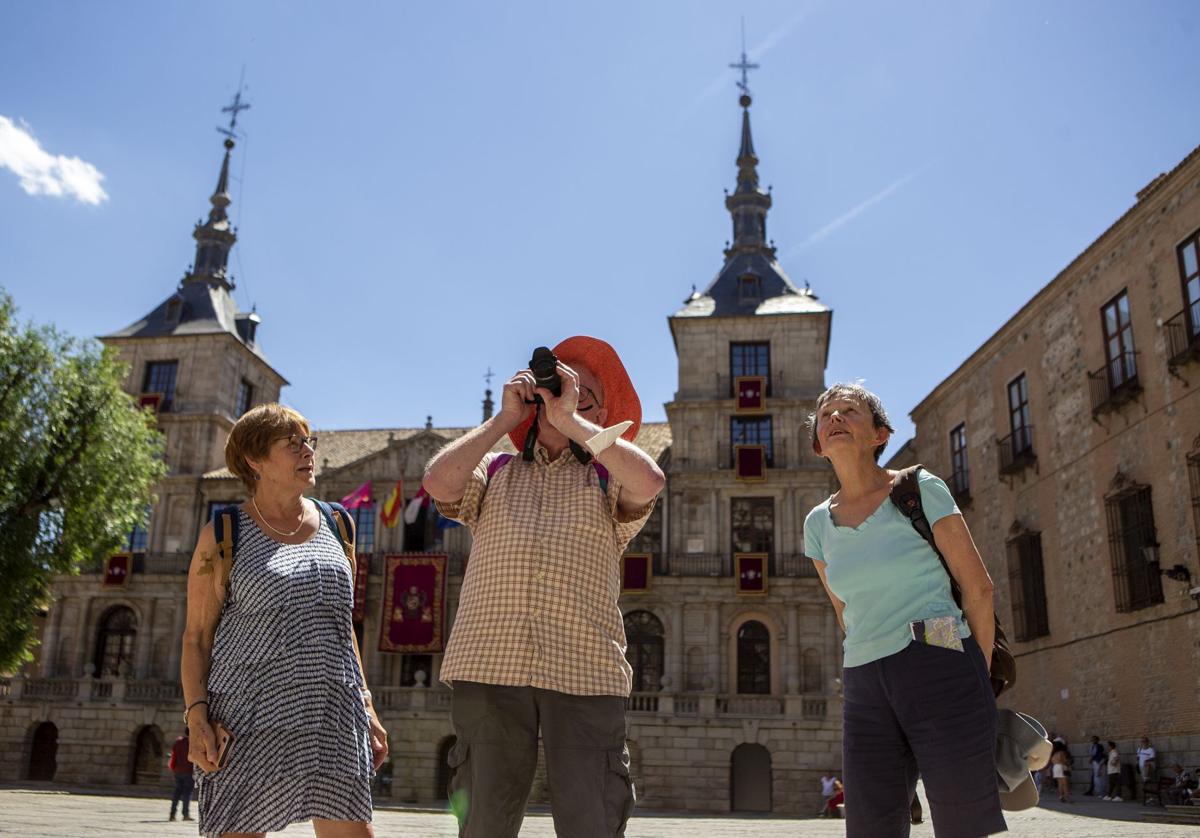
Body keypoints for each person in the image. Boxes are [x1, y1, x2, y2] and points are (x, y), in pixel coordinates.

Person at [423, 336, 665, 838]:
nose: (562, 398)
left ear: (602, 414)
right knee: (483, 824)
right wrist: (504, 420)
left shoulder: (608, 476)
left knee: (591, 825)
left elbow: (651, 483)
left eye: (582, 393)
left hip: (585, 669)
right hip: (490, 665)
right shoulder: (495, 471)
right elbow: (438, 483)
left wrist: (573, 421)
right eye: (554, 389)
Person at [803, 383, 1006, 837]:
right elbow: (844, 612)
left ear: (879, 434)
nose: (835, 417)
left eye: (849, 411)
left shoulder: (918, 489)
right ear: (818, 444)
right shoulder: (816, 524)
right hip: (862, 680)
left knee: (963, 821)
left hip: (938, 654)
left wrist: (977, 674)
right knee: (871, 825)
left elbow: (979, 589)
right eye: (826, 414)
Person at [180, 404, 388, 837]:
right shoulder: (223, 533)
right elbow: (197, 637)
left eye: (307, 442)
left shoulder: (339, 524)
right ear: (255, 460)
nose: (306, 451)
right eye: (290, 444)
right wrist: (197, 719)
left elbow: (341, 624)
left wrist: (366, 704)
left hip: (332, 708)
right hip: (247, 712)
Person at [168, 730, 194, 821]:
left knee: (176, 793)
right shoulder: (192, 743)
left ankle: (172, 815)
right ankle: (185, 815)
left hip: (178, 771)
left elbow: (173, 755)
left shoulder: (178, 742)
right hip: (189, 771)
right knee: (187, 793)